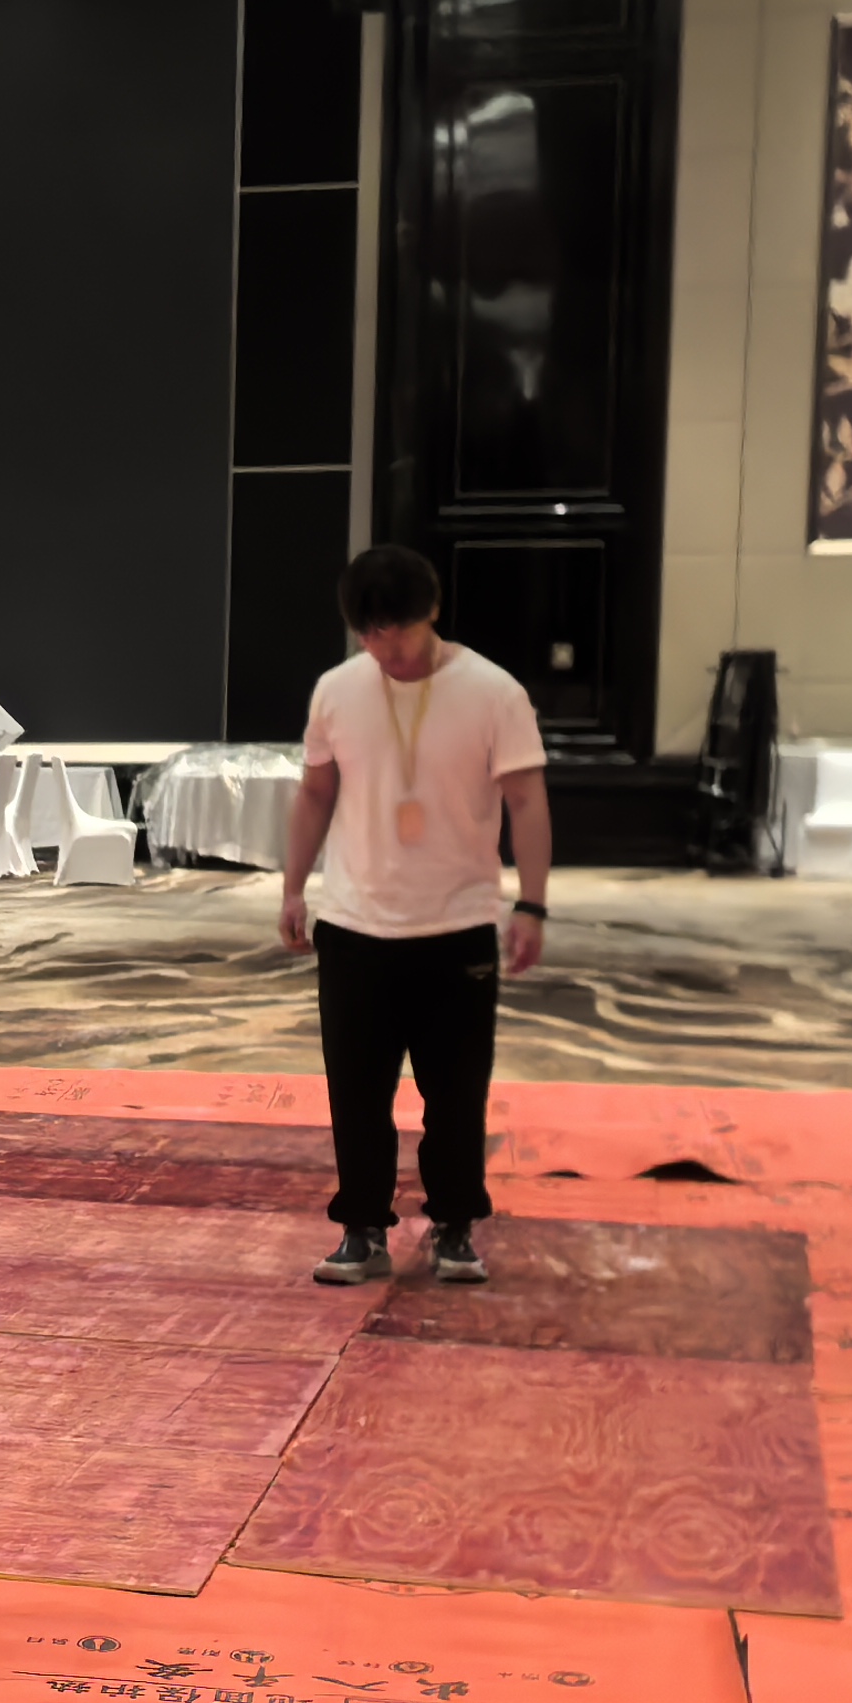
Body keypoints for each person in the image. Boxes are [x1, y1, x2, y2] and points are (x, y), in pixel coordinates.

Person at [277, 544, 550, 1287]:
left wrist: (531, 903)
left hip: (456, 925)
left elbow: (527, 800)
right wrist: (294, 888)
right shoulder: (337, 690)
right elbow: (315, 793)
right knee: (356, 1093)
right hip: (354, 924)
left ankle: (455, 1226)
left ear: (430, 611)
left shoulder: (493, 692)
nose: (383, 646)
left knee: (455, 1094)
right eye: (368, 632)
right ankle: (361, 1229)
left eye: (394, 628)